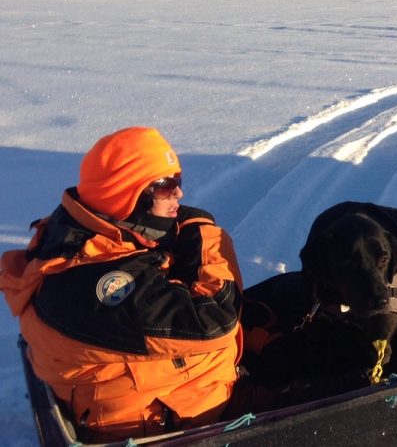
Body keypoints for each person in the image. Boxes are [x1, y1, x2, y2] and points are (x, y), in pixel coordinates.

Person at [0, 127, 243, 441]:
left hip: (165, 390)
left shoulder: (88, 229)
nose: (179, 195)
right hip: (166, 423)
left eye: (177, 180)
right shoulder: (94, 284)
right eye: (165, 186)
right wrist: (204, 233)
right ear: (125, 195)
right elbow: (216, 317)